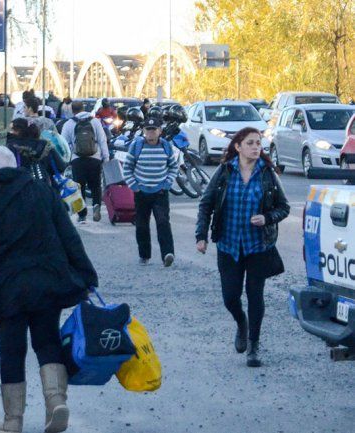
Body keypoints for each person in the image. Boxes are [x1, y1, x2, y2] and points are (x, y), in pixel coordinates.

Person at [0, 145, 98, 433]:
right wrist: (87, 278)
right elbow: (69, 236)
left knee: (11, 352)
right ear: (15, 166)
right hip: (47, 285)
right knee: (48, 343)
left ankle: (12, 421)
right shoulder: (43, 192)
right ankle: (56, 403)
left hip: (6, 293)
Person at [195, 127, 289, 367]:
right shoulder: (225, 171)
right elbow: (206, 204)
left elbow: (284, 207)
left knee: (255, 295)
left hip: (258, 246)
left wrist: (267, 218)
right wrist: (201, 236)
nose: (256, 147)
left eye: (258, 143)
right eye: (250, 143)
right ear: (238, 146)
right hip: (228, 245)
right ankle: (241, 322)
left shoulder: (268, 174)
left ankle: (253, 346)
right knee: (230, 297)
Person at [122, 117, 178, 267]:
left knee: (163, 222)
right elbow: (127, 168)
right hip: (141, 192)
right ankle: (144, 255)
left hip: (160, 192)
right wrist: (134, 186)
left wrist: (167, 184)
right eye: (148, 130)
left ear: (160, 131)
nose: (151, 133)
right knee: (141, 224)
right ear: (143, 131)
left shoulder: (166, 146)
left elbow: (173, 167)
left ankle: (167, 254)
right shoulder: (137, 146)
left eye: (154, 130)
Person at [61, 100, 109, 223]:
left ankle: (82, 214)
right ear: (83, 108)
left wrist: (66, 160)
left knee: (79, 187)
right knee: (96, 185)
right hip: (94, 158)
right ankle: (96, 205)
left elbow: (64, 144)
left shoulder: (69, 124)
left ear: (72, 110)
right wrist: (105, 157)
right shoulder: (95, 121)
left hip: (77, 160)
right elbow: (102, 140)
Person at [6, 118, 67, 189]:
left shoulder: (11, 147)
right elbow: (61, 167)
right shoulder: (45, 145)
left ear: (17, 131)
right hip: (45, 188)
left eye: (11, 129)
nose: (9, 132)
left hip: (21, 189)